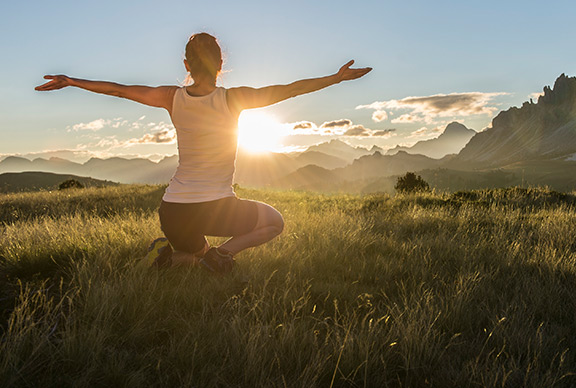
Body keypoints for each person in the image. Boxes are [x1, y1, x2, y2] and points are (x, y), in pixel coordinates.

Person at [35, 32, 371, 273]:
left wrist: (72, 81)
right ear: (221, 64)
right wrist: (335, 79)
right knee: (274, 222)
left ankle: (180, 255)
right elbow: (288, 90)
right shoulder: (232, 99)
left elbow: (120, 90)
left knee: (193, 255)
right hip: (215, 209)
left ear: (186, 64)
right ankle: (220, 257)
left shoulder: (171, 96)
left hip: (173, 213)